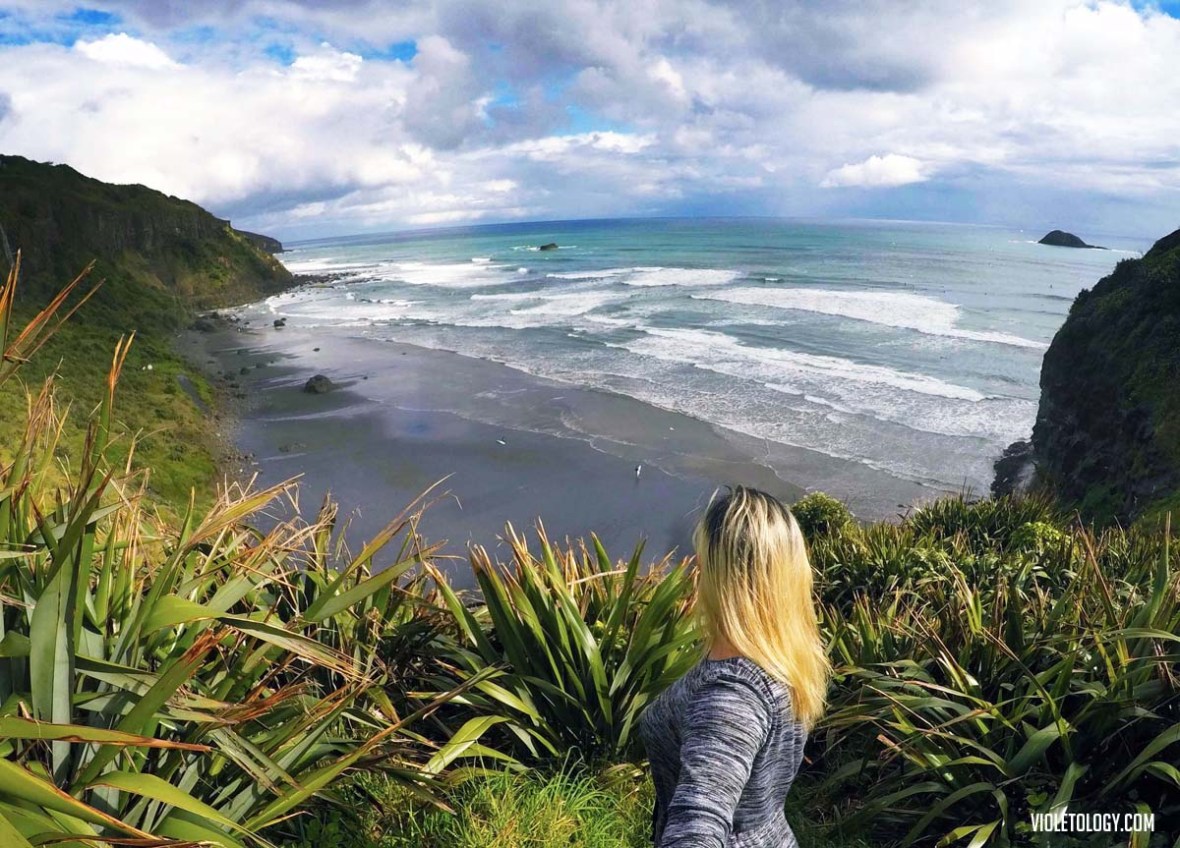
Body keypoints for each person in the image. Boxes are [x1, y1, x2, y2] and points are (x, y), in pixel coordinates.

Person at [638, 485, 830, 847]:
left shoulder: (729, 696)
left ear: (722, 574)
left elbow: (698, 825)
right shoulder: (777, 661)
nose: (695, 565)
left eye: (703, 556)